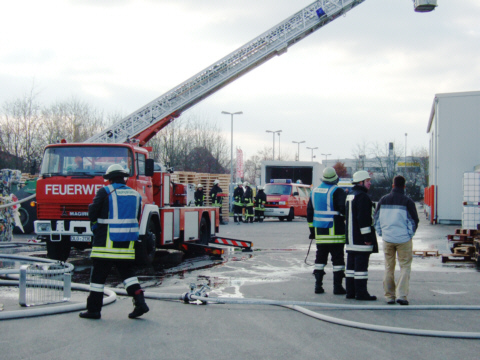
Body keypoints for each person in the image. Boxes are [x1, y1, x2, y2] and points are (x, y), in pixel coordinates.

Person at [79, 164, 149, 320]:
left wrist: (96, 225)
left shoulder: (105, 192)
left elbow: (92, 212)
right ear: (123, 178)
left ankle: (94, 310)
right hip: (127, 244)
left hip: (106, 243)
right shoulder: (135, 195)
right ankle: (140, 302)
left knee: (98, 278)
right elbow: (136, 216)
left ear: (109, 179)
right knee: (128, 274)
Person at [374, 175, 419, 305]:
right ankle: (402, 295)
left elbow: (376, 219)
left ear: (393, 186)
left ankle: (389, 296)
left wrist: (381, 233)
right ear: (404, 186)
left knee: (389, 267)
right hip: (403, 239)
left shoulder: (383, 200)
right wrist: (409, 234)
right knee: (405, 267)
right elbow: (414, 221)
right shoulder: (408, 201)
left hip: (388, 239)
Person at [307, 167, 347, 294]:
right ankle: (337, 287)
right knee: (338, 260)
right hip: (336, 232)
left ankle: (318, 286)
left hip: (320, 232)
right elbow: (344, 210)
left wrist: (312, 231)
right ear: (335, 178)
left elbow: (309, 213)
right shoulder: (338, 191)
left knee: (320, 259)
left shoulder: (314, 192)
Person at [345, 170, 378, 301]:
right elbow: (364, 219)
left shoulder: (350, 195)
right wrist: (367, 237)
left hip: (350, 239)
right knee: (361, 269)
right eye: (368, 181)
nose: (370, 183)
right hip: (360, 241)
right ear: (361, 182)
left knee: (351, 268)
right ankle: (361, 293)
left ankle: (350, 292)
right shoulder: (363, 197)